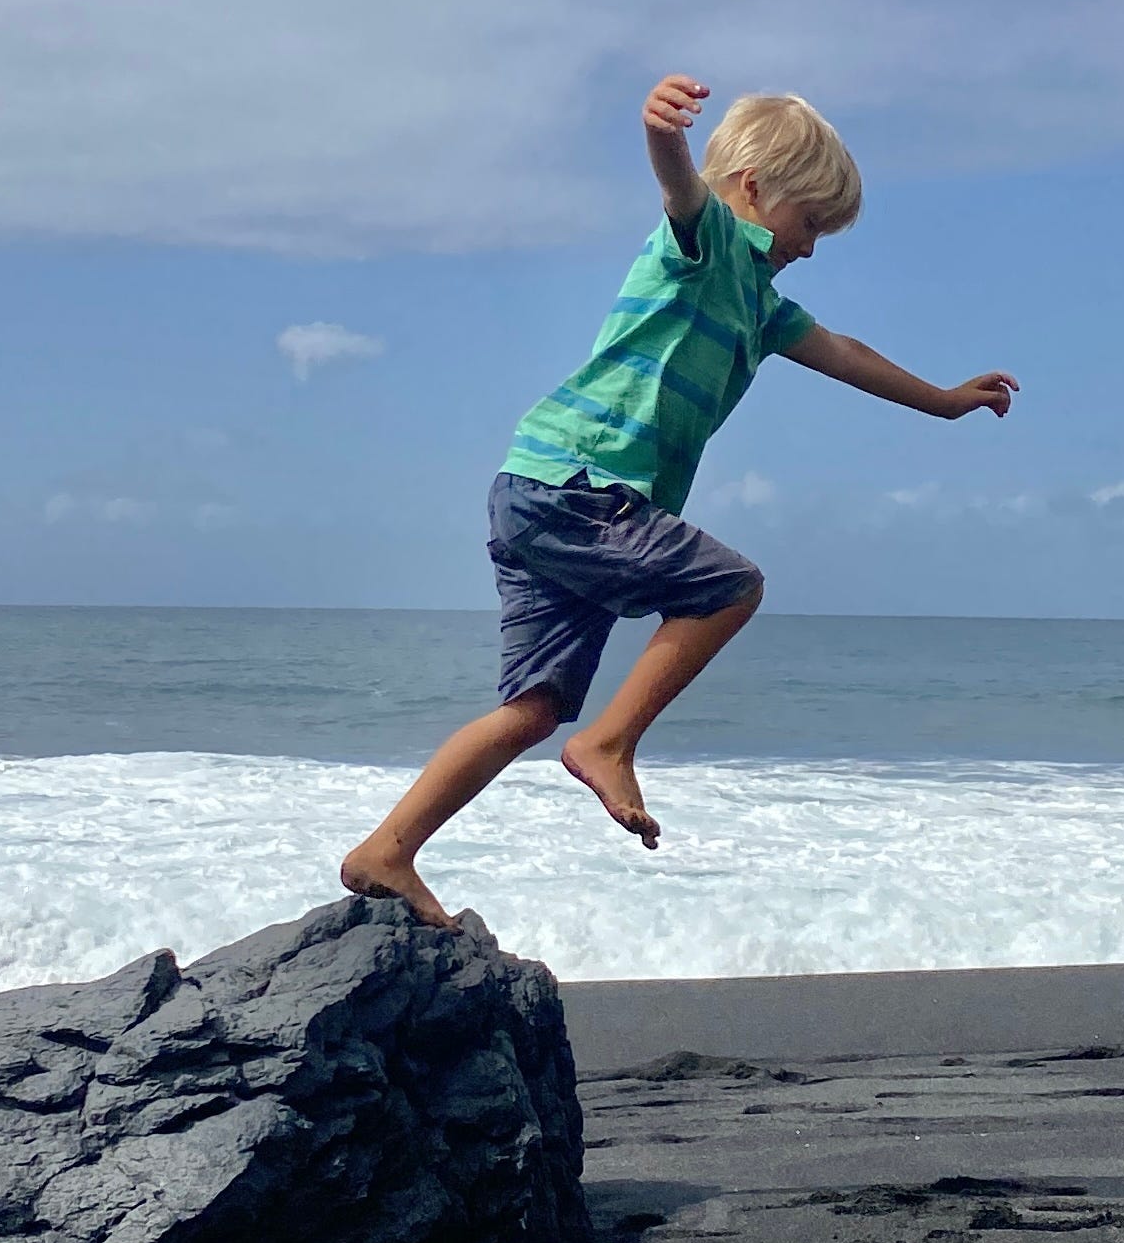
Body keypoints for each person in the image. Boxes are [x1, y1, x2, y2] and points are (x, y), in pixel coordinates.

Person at [342, 74, 1017, 926]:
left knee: (533, 709)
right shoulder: (709, 246)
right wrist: (661, 131)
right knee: (729, 586)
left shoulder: (762, 309)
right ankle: (609, 743)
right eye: (809, 222)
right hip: (577, 487)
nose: (810, 246)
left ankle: (388, 848)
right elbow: (680, 188)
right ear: (751, 191)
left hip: (538, 492)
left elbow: (845, 353)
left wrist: (946, 401)